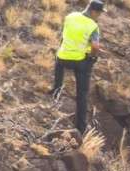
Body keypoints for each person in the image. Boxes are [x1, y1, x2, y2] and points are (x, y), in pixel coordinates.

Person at [51, 0, 106, 133]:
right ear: (94, 11)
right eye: (99, 13)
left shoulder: (70, 16)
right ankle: (81, 128)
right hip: (79, 61)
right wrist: (93, 56)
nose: (99, 16)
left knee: (59, 60)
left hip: (63, 57)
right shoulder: (93, 26)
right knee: (82, 94)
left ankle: (55, 92)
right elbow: (94, 46)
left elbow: (66, 36)